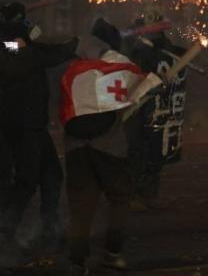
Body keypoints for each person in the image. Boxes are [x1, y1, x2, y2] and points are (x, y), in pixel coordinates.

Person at [0, 2, 77, 250]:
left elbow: (38, 51)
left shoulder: (13, 44)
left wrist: (65, 46)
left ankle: (49, 228)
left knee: (52, 175)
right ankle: (6, 231)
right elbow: (36, 55)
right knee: (27, 180)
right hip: (21, 125)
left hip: (32, 124)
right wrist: (71, 47)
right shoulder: (6, 45)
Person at [62, 19, 137, 276]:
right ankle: (112, 254)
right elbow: (134, 93)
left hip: (75, 148)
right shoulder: (118, 67)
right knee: (119, 198)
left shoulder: (71, 67)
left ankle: (77, 262)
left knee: (81, 206)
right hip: (109, 146)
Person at [125, 13, 187, 211]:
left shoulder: (157, 52)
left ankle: (141, 194)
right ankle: (142, 194)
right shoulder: (146, 50)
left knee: (142, 151)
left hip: (150, 109)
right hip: (152, 109)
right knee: (147, 152)